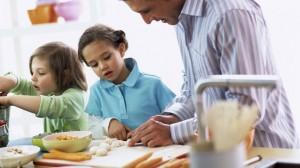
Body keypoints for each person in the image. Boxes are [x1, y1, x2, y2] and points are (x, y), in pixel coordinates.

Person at [120, 0, 300, 148]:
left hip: (265, 154)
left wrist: (173, 132)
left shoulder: (231, 13)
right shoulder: (181, 19)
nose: (146, 21)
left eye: (146, 10)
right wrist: (172, 118)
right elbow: (193, 88)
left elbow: (244, 108)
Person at [78, 24, 175, 140]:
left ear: (121, 49)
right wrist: (107, 124)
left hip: (156, 150)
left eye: (107, 57)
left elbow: (178, 116)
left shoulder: (153, 85)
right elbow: (89, 128)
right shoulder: (96, 91)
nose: (102, 66)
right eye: (94, 64)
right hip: (118, 155)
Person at [0, 42, 88, 133]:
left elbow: (52, 105)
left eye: (41, 73)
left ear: (65, 74)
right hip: (52, 147)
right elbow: (22, 85)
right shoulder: (49, 90)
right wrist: (12, 81)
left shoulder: (77, 97)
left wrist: (8, 100)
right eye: (32, 72)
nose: (33, 78)